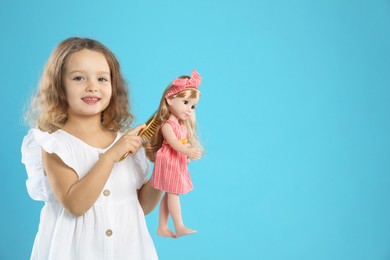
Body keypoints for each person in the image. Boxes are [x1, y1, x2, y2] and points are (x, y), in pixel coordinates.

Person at [21, 37, 162, 259]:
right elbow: (76, 204)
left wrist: (164, 169)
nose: (92, 86)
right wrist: (110, 156)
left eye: (102, 79)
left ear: (113, 86)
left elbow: (140, 206)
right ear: (59, 85)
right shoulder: (55, 146)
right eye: (78, 78)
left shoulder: (124, 141)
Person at [145, 70, 203, 238]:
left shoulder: (181, 125)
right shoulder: (167, 125)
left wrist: (186, 156)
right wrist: (187, 151)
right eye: (185, 102)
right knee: (173, 193)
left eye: (193, 106)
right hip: (168, 160)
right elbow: (174, 143)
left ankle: (162, 227)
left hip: (176, 160)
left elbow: (182, 143)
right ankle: (179, 226)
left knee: (169, 192)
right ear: (170, 99)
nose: (189, 109)